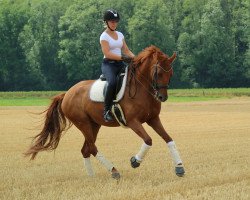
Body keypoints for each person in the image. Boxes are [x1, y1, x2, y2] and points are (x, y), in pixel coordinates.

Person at [100, 9, 134, 122]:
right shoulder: (104, 36)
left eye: (116, 21)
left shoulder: (120, 34)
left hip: (120, 64)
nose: (114, 24)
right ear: (106, 22)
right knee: (113, 82)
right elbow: (107, 53)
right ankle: (106, 111)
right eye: (112, 22)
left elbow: (126, 50)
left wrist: (137, 59)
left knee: (134, 75)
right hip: (108, 65)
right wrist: (123, 57)